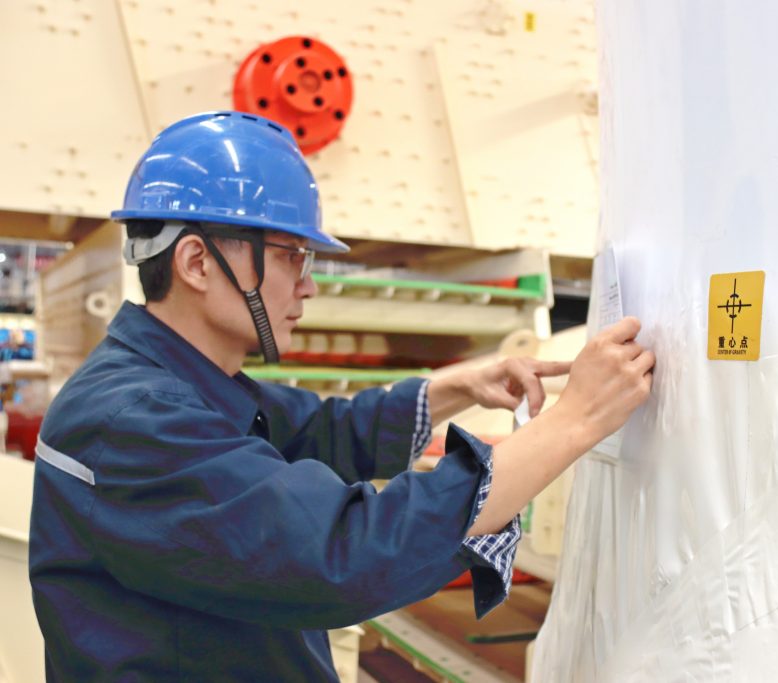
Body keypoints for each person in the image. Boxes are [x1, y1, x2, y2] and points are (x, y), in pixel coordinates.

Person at [28, 111, 655, 681]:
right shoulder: (135, 420)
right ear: (197, 262)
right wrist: (575, 419)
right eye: (292, 257)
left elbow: (320, 431)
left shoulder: (178, 384)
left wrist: (460, 386)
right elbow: (343, 553)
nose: (307, 287)